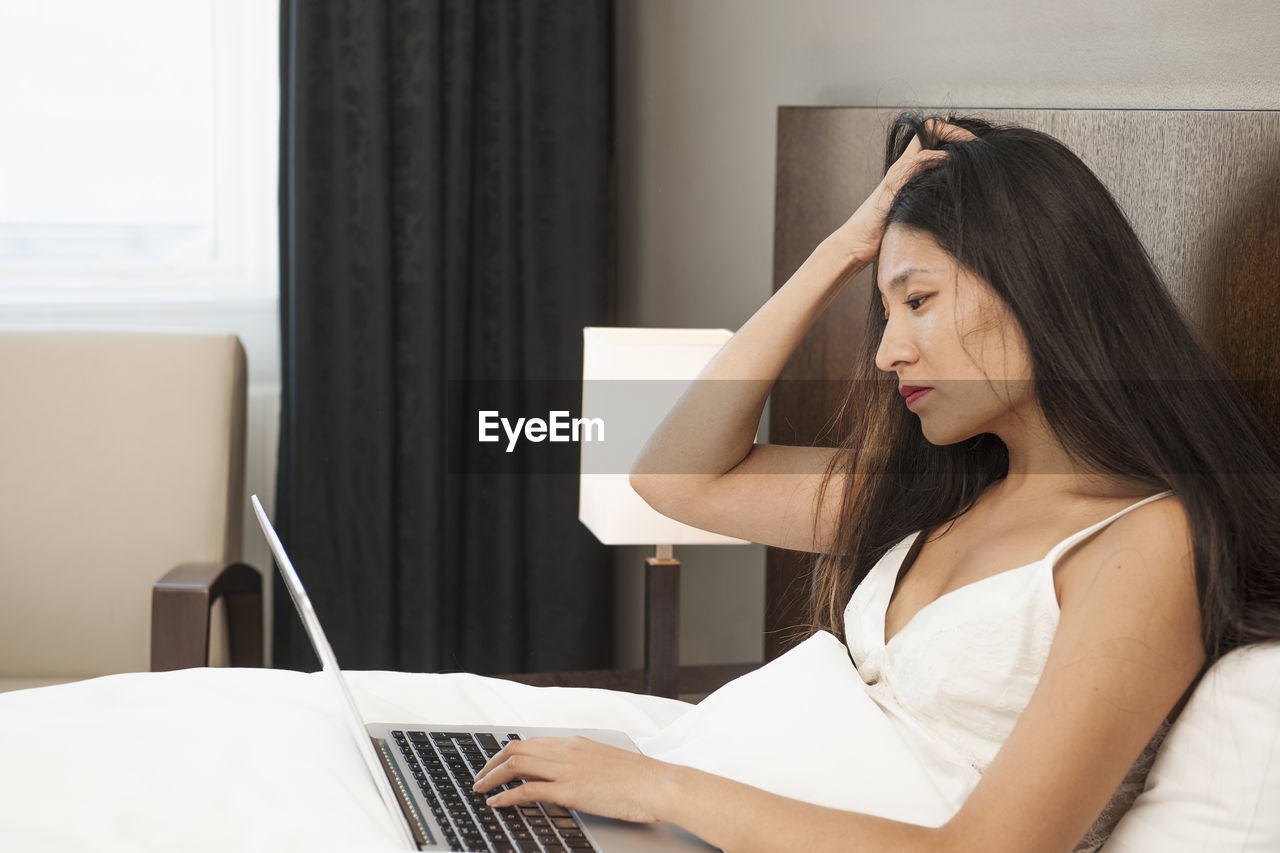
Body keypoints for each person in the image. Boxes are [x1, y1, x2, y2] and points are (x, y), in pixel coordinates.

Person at [472, 113, 1280, 852]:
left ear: (1039, 285)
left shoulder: (1146, 542)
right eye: (886, 311)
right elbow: (673, 477)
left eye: (918, 300)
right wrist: (842, 250)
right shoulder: (943, 493)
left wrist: (657, 786)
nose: (886, 351)